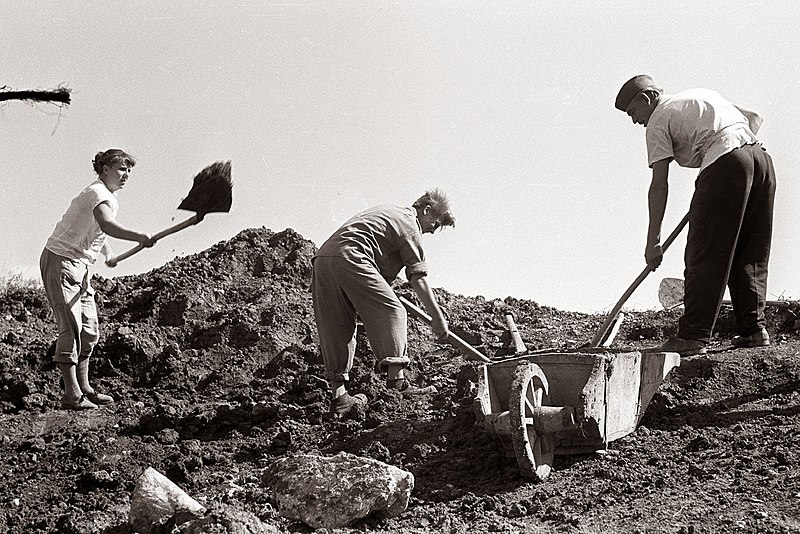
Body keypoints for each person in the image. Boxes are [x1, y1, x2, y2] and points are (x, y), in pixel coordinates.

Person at [615, 74, 776, 356]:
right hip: (760, 161)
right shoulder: (698, 95)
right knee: (749, 253)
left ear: (646, 98)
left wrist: (653, 241)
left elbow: (659, 184)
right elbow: (754, 117)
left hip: (726, 164)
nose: (634, 120)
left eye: (632, 112)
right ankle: (753, 330)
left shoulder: (657, 120)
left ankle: (692, 336)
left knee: (705, 253)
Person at [312, 188, 455, 415]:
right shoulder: (409, 224)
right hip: (353, 257)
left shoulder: (389, 212)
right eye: (435, 224)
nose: (432, 231)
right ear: (426, 210)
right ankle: (397, 383)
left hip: (324, 259)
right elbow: (417, 277)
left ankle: (340, 397)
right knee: (394, 311)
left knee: (338, 326)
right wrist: (438, 318)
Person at [40, 149, 154, 410]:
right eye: (121, 169)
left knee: (90, 331)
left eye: (129, 170)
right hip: (61, 260)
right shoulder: (97, 193)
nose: (126, 175)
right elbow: (106, 224)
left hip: (81, 265)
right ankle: (71, 395)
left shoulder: (108, 197)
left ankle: (85, 387)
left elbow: (96, 231)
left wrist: (109, 253)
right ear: (104, 169)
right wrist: (139, 237)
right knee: (71, 328)